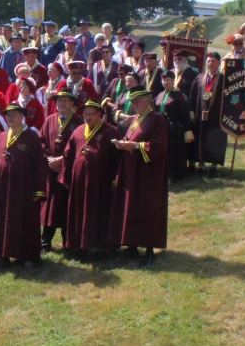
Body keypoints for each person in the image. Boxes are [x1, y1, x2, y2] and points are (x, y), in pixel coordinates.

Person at [109, 87, 170, 263]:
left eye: (137, 100)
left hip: (148, 171)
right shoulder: (136, 118)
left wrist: (135, 147)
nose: (134, 105)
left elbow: (159, 146)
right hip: (131, 169)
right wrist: (123, 144)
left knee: (147, 207)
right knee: (130, 205)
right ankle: (131, 245)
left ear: (148, 99)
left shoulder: (157, 119)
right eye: (132, 101)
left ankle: (149, 249)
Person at [0, 104, 48, 272]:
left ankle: (28, 256)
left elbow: (39, 165)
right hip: (4, 188)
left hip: (25, 188)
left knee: (26, 220)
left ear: (22, 116)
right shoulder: (1, 137)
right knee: (3, 220)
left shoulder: (31, 137)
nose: (10, 118)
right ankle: (4, 256)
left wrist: (39, 190)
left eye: (14, 115)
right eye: (8, 115)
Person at [60, 101, 120, 254]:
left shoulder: (110, 132)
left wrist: (115, 180)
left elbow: (119, 159)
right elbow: (67, 155)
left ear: (99, 114)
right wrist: (66, 178)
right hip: (79, 182)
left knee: (100, 211)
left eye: (91, 114)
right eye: (85, 114)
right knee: (79, 210)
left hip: (101, 182)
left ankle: (102, 246)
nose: (87, 117)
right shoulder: (78, 131)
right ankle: (79, 245)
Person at [39, 90, 82, 251]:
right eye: (59, 101)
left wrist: (62, 160)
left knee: (67, 205)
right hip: (51, 170)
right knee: (49, 205)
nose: (61, 104)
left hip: (69, 170)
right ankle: (46, 240)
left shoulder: (79, 122)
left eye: (65, 101)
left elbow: (81, 146)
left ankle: (68, 242)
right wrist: (49, 159)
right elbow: (42, 141)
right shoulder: (49, 120)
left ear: (72, 104)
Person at [191, 53, 227, 177]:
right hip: (200, 113)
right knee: (200, 137)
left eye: (213, 61)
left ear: (219, 63)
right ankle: (201, 164)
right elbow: (193, 95)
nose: (210, 63)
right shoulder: (199, 78)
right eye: (208, 61)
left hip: (216, 115)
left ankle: (214, 164)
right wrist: (192, 112)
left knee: (215, 139)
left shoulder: (223, 79)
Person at [155, 69, 192, 182]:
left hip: (174, 128)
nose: (165, 82)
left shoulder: (179, 95)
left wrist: (185, 128)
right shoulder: (160, 94)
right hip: (161, 127)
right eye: (163, 80)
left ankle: (173, 174)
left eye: (168, 80)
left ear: (173, 81)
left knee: (173, 152)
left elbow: (185, 114)